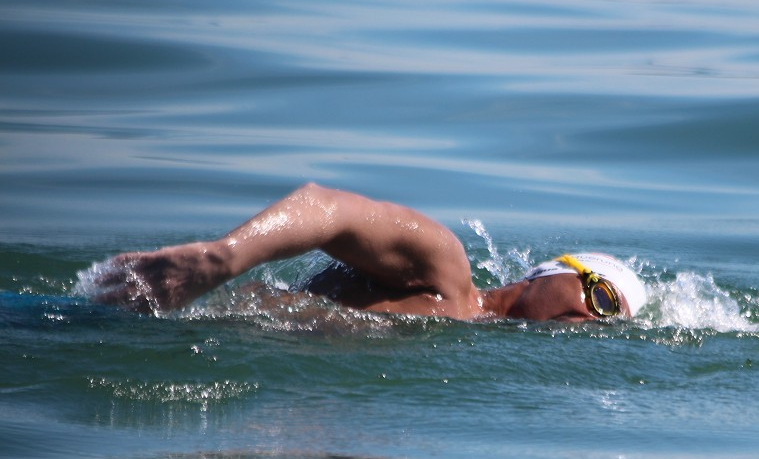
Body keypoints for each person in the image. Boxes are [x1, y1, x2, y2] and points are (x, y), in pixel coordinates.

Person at [92, 183, 647, 322]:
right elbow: (328, 209)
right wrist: (220, 260)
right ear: (552, 273)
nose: (595, 321)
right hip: (156, 320)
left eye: (613, 323)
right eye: (600, 297)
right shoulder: (446, 271)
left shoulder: (463, 338)